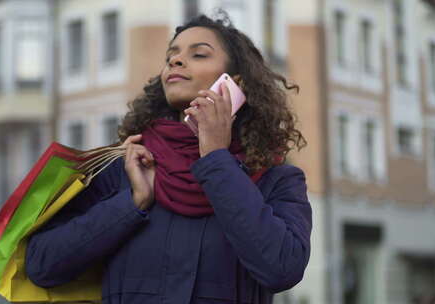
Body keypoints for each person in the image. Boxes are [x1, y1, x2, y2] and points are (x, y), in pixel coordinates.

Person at [25, 12, 312, 304]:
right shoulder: (124, 167)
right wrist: (131, 203)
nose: (175, 61)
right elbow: (41, 265)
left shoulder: (277, 179)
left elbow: (282, 269)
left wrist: (216, 158)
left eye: (199, 54)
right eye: (170, 57)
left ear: (234, 83)